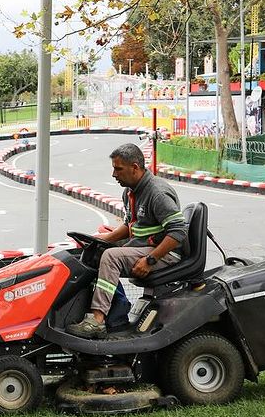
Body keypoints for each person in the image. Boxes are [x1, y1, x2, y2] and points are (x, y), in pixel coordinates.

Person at [67, 143, 189, 339]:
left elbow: (178, 232)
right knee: (98, 252)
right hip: (144, 246)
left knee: (111, 257)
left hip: (164, 252)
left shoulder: (157, 193)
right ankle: (117, 315)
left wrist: (150, 260)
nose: (114, 174)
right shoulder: (131, 191)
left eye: (118, 169)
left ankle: (97, 320)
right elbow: (130, 226)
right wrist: (101, 240)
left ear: (135, 167)